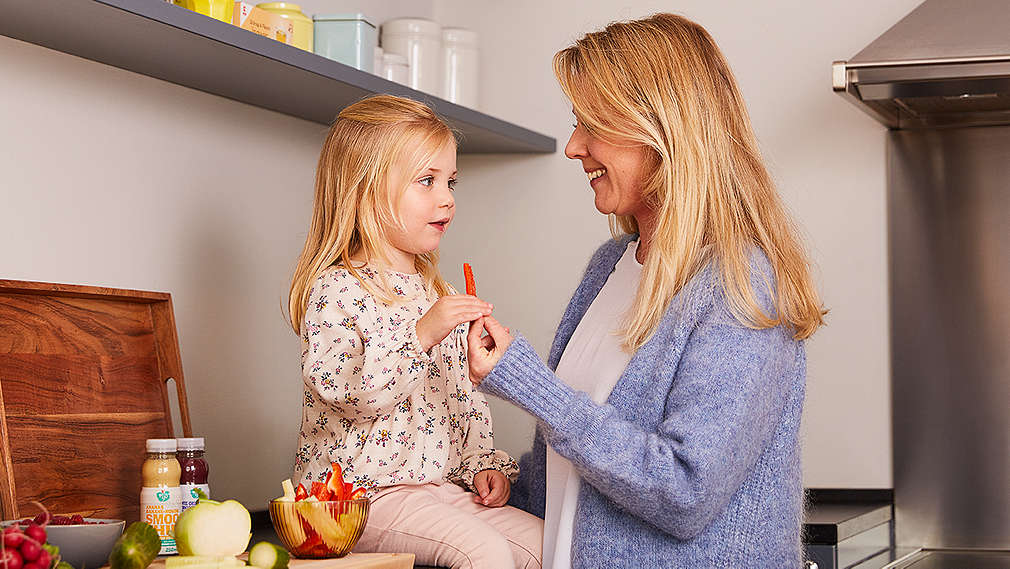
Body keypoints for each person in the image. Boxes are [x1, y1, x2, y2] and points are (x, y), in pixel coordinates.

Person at [466, 13, 826, 569]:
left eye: (592, 124)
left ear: (660, 130)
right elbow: (580, 467)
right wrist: (512, 485)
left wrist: (532, 386)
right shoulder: (609, 267)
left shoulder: (742, 284)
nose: (574, 146)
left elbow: (685, 489)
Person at [287, 94, 543, 569]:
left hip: (439, 490)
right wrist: (420, 335)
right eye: (427, 181)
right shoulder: (337, 290)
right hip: (357, 497)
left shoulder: (437, 292)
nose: (447, 198)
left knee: (552, 547)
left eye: (450, 181)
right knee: (484, 552)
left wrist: (482, 462)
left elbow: (459, 397)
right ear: (365, 191)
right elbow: (349, 394)